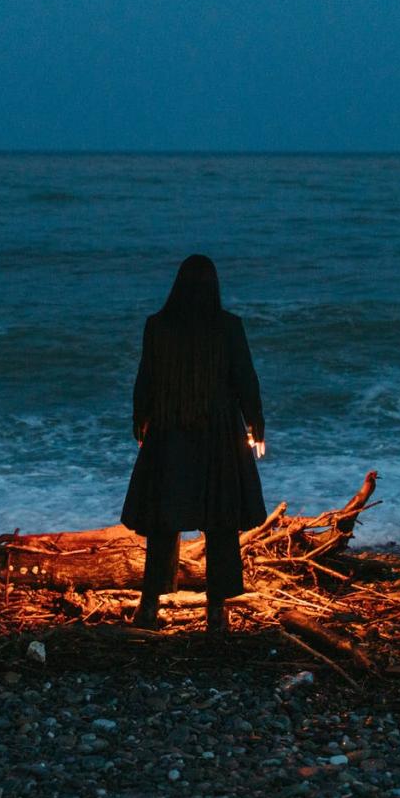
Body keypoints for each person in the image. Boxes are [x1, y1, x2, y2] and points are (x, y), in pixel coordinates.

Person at [120, 254, 267, 634]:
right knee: (220, 522)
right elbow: (245, 379)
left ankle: (148, 608)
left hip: (169, 431)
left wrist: (141, 422)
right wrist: (256, 425)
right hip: (217, 435)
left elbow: (145, 379)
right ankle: (216, 612)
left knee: (163, 523)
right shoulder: (228, 326)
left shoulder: (158, 326)